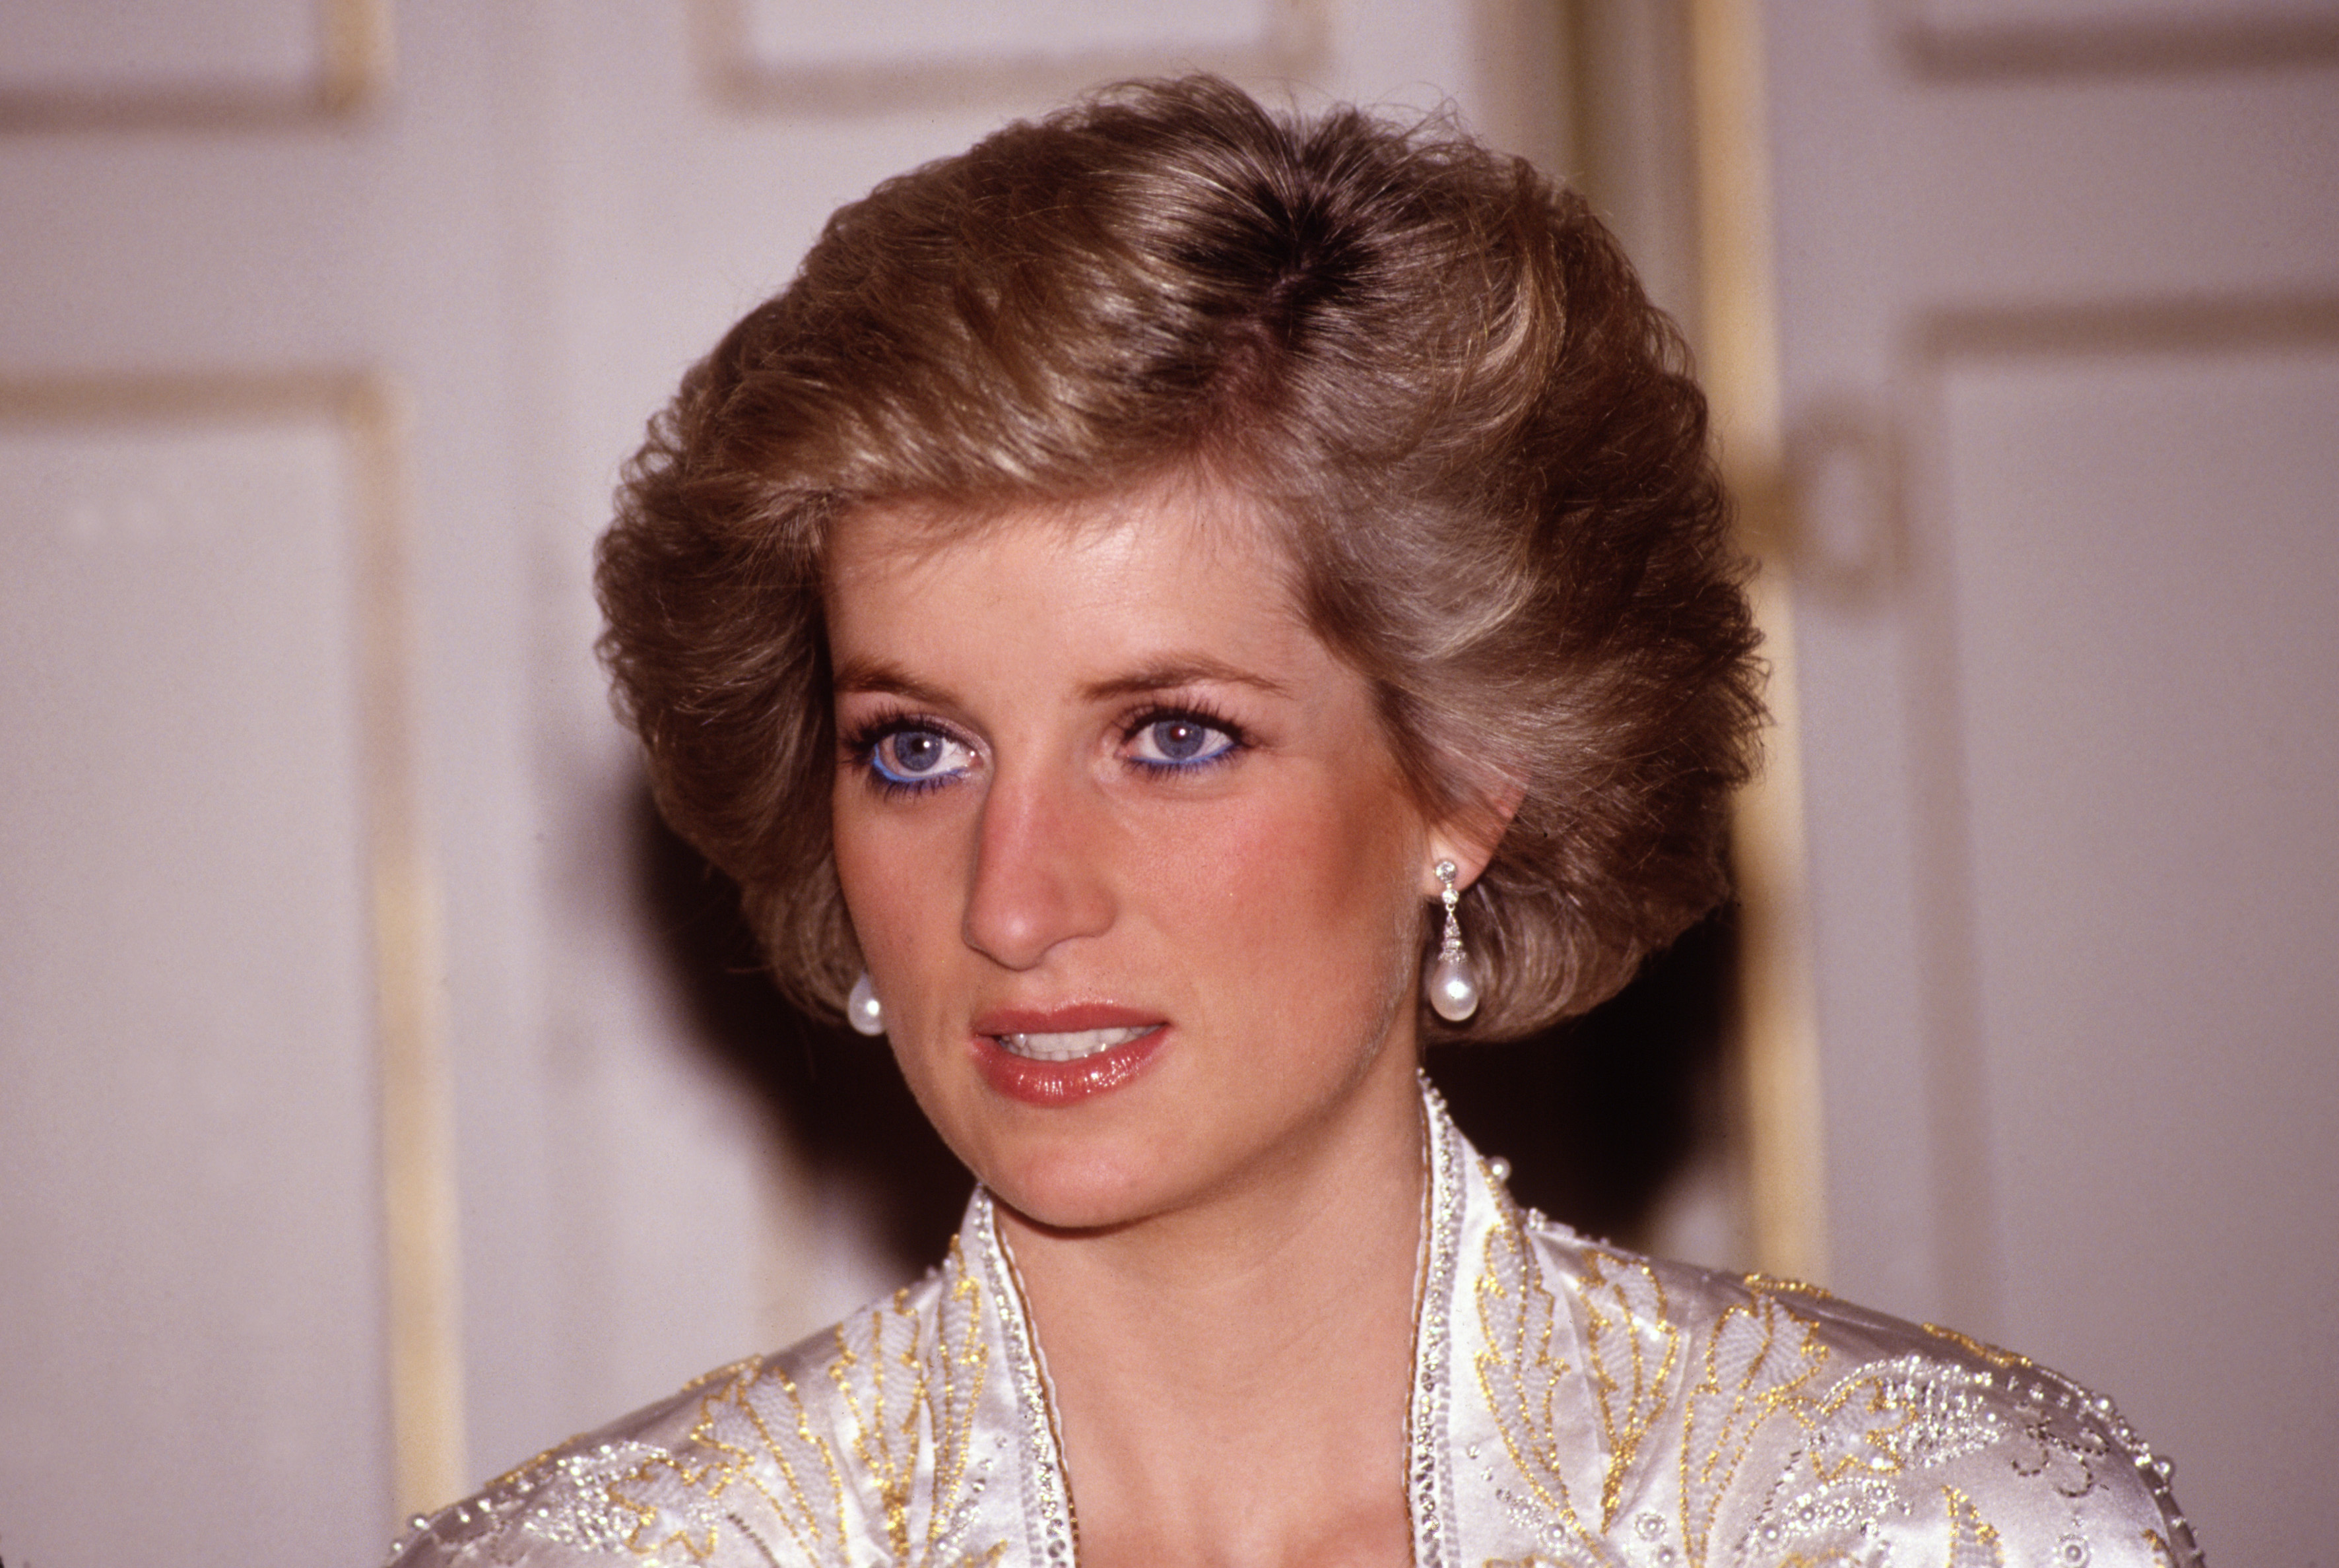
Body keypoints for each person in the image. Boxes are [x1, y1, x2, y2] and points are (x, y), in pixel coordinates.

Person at [389, 77, 2200, 1567]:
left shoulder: (1924, 1536)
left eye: (1172, 735)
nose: (1012, 908)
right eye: (918, 752)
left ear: (1469, 777)